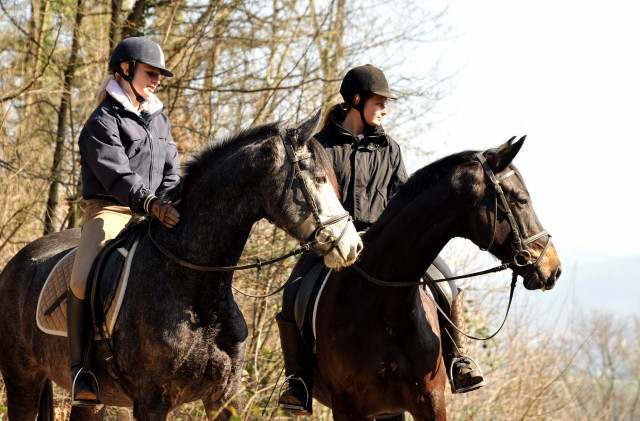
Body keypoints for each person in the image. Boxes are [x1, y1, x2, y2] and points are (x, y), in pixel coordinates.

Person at [277, 65, 484, 417]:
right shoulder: (321, 146)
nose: (385, 108)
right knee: (293, 291)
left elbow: (401, 196)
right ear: (356, 101)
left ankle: (457, 359)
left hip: (386, 242)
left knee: (446, 282)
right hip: (335, 244)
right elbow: (314, 198)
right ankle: (298, 380)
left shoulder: (389, 147)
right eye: (380, 101)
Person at [67, 37, 181, 406]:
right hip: (112, 209)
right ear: (125, 69)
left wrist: (167, 201)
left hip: (155, 210)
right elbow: (115, 175)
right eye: (151, 72)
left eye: (159, 75)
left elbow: (172, 169)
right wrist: (148, 202)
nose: (157, 80)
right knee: (83, 277)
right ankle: (80, 368)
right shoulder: (102, 121)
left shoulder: (159, 117)